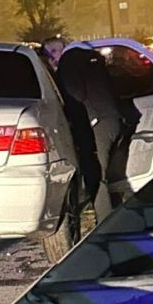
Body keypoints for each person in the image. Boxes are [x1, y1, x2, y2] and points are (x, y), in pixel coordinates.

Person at [55, 40, 128, 220]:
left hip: (97, 124)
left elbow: (76, 93)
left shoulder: (68, 62)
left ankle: (106, 222)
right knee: (115, 172)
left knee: (97, 174)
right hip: (114, 119)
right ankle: (123, 210)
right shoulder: (94, 60)